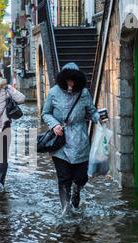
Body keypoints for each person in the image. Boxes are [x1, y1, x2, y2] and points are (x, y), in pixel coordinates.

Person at [42, 63, 102, 215]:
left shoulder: (84, 93)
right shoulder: (53, 92)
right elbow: (46, 113)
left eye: (73, 81)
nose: (71, 85)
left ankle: (77, 189)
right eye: (68, 81)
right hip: (60, 141)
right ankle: (65, 207)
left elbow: (91, 111)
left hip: (80, 140)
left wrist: (99, 118)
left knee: (81, 176)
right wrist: (54, 124)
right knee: (63, 177)